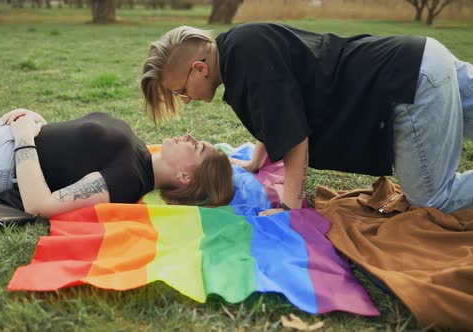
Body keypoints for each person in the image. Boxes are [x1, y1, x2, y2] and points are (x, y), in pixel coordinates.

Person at [141, 23, 473, 215]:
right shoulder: (238, 47)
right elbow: (279, 110)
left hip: (406, 86)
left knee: (433, 199)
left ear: (199, 69)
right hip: (423, 57)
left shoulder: (246, 62)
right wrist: (257, 161)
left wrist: (289, 208)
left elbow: (295, 138)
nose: (185, 99)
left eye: (181, 90)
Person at [0, 40, 234, 218]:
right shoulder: (138, 152)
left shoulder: (128, 180)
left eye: (198, 146)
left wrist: (24, 141)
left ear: (186, 178)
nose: (190, 137)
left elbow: (40, 203)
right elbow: (67, 154)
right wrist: (36, 122)